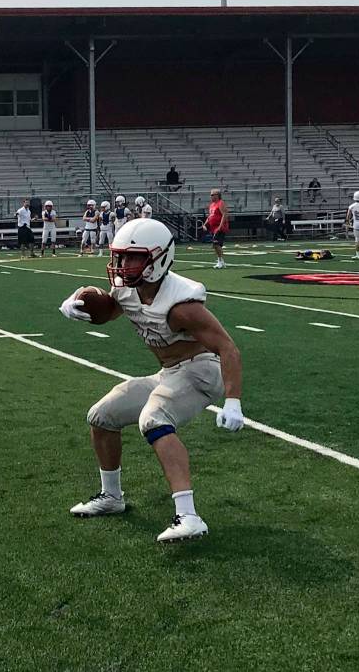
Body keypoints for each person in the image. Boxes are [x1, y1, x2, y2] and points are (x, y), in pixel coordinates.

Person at [59, 218, 244, 543]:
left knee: (153, 418)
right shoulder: (127, 288)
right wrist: (79, 302)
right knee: (101, 416)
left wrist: (233, 401)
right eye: (120, 256)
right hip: (170, 372)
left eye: (133, 257)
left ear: (158, 258)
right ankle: (111, 497)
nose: (122, 265)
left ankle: (189, 516)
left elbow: (227, 347)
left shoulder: (181, 306)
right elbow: (109, 311)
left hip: (201, 372)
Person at [205, 189, 229, 268]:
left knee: (216, 244)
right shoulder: (212, 205)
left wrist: (220, 226)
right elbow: (210, 216)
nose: (211, 196)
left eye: (212, 195)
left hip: (219, 227)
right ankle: (221, 261)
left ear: (217, 195)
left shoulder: (220, 203)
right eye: (210, 195)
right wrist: (205, 224)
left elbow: (224, 215)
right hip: (213, 227)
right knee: (216, 245)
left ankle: (221, 261)